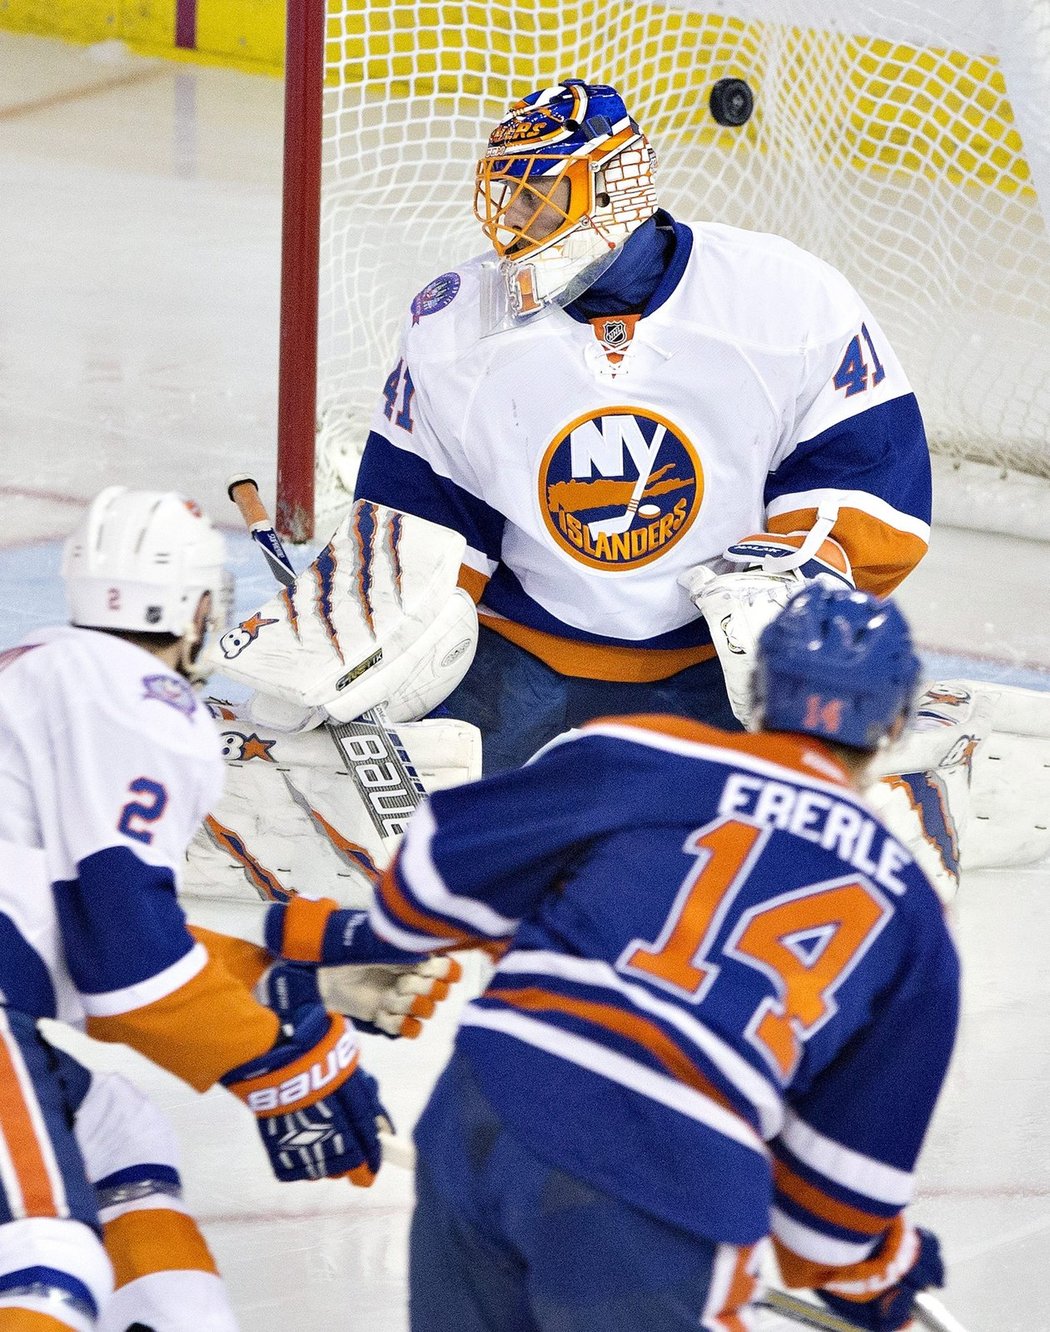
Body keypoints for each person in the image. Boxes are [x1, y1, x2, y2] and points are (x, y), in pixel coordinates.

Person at [359, 585, 958, 1331]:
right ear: (895, 723)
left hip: (494, 1100)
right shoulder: (911, 914)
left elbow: (422, 887)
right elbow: (829, 1227)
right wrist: (883, 1275)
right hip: (671, 1174)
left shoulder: (639, 752)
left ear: (761, 687)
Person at [353, 79, 932, 773]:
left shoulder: (784, 298)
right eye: (510, 198)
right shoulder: (456, 324)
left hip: (716, 670)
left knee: (751, 850)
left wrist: (798, 572)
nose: (516, 224)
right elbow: (416, 505)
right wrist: (377, 613)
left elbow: (870, 471)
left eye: (541, 198)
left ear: (614, 189)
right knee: (416, 830)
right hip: (515, 651)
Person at [0, 487, 388, 1331]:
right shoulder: (141, 698)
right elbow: (126, 970)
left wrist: (280, 982)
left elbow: (73, 935)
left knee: (115, 1131)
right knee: (40, 1253)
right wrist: (276, 1066)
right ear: (200, 607)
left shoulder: (36, 669)